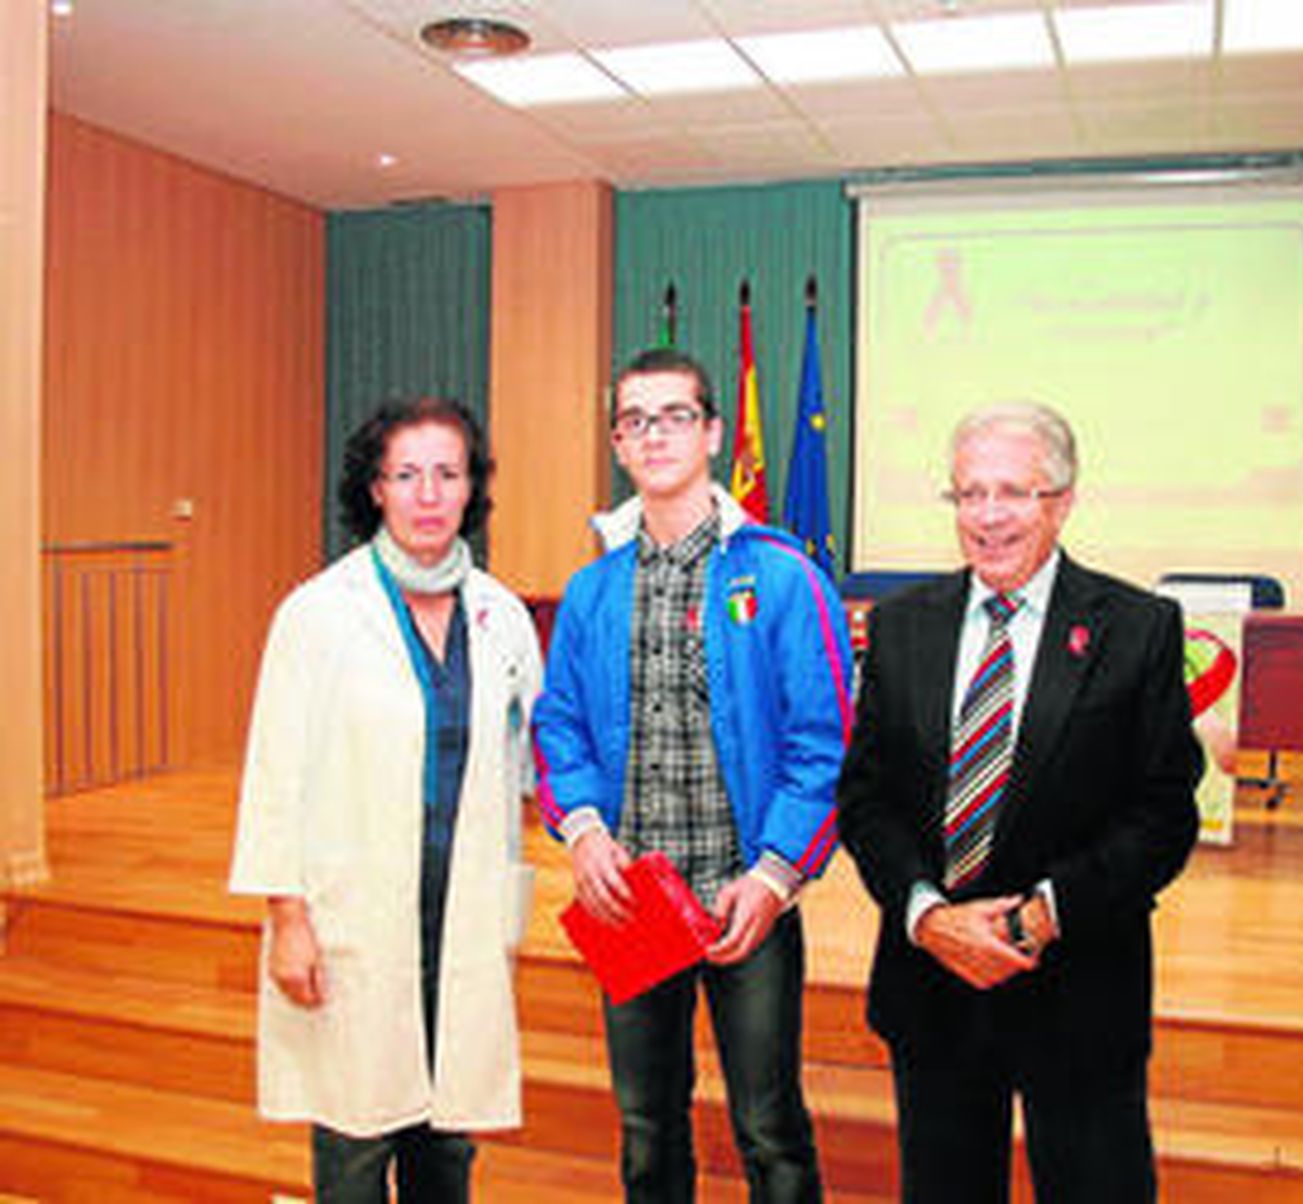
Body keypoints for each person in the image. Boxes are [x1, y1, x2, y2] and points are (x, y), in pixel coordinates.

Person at [837, 401, 1201, 1204]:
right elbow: (865, 800)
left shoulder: (1137, 628)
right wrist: (928, 916)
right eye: (969, 494)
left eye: (1013, 493)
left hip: (1080, 990)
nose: (988, 517)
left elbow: (1165, 813)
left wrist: (1042, 913)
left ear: (1063, 501)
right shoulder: (899, 628)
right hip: (934, 987)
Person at [533, 347, 853, 1203]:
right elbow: (558, 725)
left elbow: (825, 745)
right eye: (635, 420)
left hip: (744, 897)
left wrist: (776, 875)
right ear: (617, 444)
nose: (654, 434)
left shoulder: (785, 578)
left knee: (769, 1128)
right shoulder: (593, 591)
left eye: (675, 415)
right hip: (633, 901)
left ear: (713, 432)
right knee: (645, 1128)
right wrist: (585, 829)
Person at [230, 397, 542, 1203]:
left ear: (473, 487)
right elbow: (274, 774)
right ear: (374, 489)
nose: (429, 494)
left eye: (448, 473)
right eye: (407, 475)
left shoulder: (501, 615)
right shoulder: (318, 614)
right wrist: (288, 918)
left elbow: (537, 759)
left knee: (448, 1151)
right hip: (352, 924)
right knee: (356, 1147)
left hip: (461, 920)